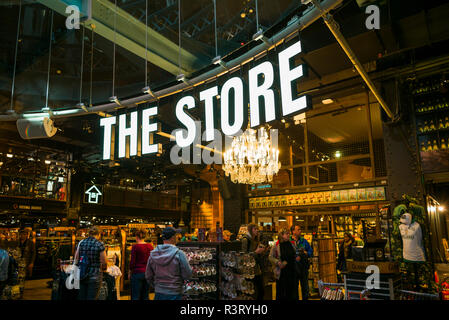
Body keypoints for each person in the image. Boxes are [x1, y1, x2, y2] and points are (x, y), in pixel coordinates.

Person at [145, 227, 192, 300]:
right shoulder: (179, 254)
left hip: (159, 292)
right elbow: (188, 274)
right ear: (173, 237)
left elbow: (148, 275)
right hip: (175, 292)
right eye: (176, 235)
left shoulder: (153, 254)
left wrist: (157, 286)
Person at [75, 226, 107, 300]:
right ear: (99, 234)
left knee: (82, 297)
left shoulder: (81, 243)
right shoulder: (99, 244)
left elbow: (76, 258)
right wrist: (104, 270)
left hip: (82, 274)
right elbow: (104, 262)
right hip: (95, 276)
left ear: (89, 233)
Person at [269, 229, 298, 300]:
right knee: (281, 292)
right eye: (286, 234)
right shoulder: (276, 245)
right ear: (281, 235)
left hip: (292, 272)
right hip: (281, 273)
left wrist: (297, 257)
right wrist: (278, 262)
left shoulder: (292, 244)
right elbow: (270, 257)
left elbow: (295, 254)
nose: (288, 235)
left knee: (292, 292)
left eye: (289, 233)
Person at [241, 224, 266, 300]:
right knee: (251, 291)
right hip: (249, 270)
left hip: (257, 269)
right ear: (250, 230)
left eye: (257, 229)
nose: (257, 230)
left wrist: (262, 251)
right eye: (255, 229)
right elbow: (243, 255)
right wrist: (256, 252)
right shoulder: (245, 240)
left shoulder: (255, 239)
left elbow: (257, 255)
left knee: (260, 291)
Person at [290, 224, 313, 300]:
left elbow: (311, 251)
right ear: (293, 231)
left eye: (300, 229)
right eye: (298, 229)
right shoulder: (289, 241)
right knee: (294, 288)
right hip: (293, 268)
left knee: (305, 287)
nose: (300, 231)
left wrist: (307, 253)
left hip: (303, 267)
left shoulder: (304, 241)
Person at [130, 229, 153, 300]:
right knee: (145, 295)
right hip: (147, 273)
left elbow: (132, 262)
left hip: (137, 272)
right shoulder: (150, 246)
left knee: (135, 295)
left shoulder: (135, 247)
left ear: (136, 237)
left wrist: (130, 271)